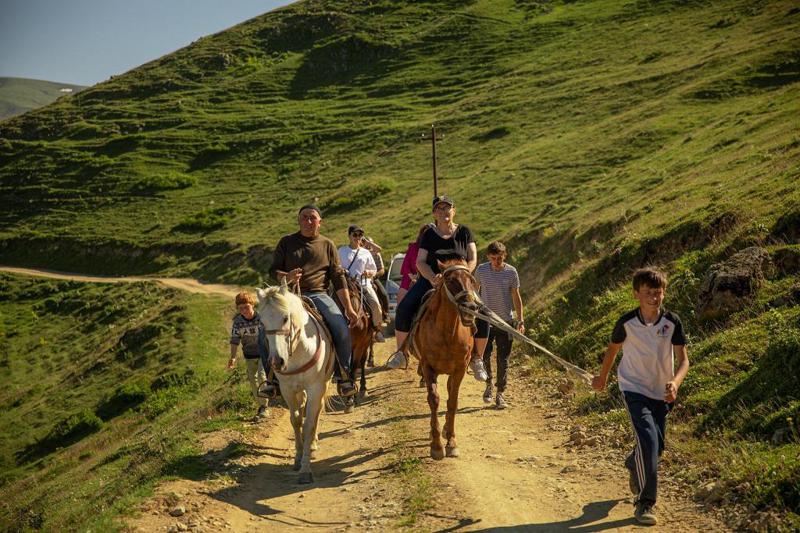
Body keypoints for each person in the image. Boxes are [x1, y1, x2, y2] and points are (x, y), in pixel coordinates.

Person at [591, 267, 690, 526]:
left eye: (658, 293)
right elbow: (612, 350)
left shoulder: (672, 322)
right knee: (648, 442)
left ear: (664, 293)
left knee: (657, 447)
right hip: (633, 388)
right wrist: (602, 378)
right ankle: (645, 503)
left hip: (662, 392)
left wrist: (675, 383)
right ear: (636, 294)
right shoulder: (626, 323)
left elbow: (683, 360)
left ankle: (635, 462)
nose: (654, 298)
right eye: (648, 293)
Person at [386, 195, 487, 381]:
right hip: (433, 280)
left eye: (447, 207)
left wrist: (464, 272)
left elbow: (473, 257)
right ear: (434, 213)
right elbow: (421, 262)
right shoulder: (429, 235)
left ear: (454, 211)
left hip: (459, 281)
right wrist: (432, 278)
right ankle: (402, 352)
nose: (443, 211)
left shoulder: (464, 232)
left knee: (482, 312)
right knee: (405, 307)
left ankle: (477, 358)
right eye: (439, 209)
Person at [268, 205, 359, 397]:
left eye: (312, 218)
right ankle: (271, 379)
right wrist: (287, 276)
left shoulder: (327, 245)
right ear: (298, 220)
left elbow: (338, 278)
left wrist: (349, 308)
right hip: (289, 296)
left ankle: (344, 376)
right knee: (265, 330)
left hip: (319, 294)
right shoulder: (286, 242)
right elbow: (273, 271)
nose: (308, 221)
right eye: (304, 217)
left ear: (320, 222)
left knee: (341, 327)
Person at [474, 241, 525, 409]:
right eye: (493, 258)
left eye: (500, 258)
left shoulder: (511, 272)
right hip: (485, 321)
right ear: (488, 257)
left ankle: (500, 393)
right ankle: (488, 385)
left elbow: (516, 296)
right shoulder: (481, 270)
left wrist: (520, 320)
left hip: (505, 322)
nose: (496, 261)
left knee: (503, 360)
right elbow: (474, 291)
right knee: (485, 356)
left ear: (505, 256)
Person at [227, 291, 270, 420]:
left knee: (262, 376)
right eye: (240, 308)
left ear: (252, 305)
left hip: (264, 353)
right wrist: (233, 357)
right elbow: (235, 340)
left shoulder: (262, 318)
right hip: (249, 355)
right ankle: (261, 404)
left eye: (246, 307)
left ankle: (264, 406)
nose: (244, 311)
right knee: (252, 380)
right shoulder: (238, 322)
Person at [338, 225, 385, 341]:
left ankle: (377, 329)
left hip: (363, 283)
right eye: (355, 234)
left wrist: (369, 272)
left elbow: (374, 270)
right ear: (349, 236)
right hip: (345, 283)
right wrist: (341, 270)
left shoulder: (366, 253)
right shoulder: (341, 251)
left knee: (375, 304)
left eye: (360, 235)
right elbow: (336, 266)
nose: (357, 237)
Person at [398, 224, 430, 304]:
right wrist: (412, 276)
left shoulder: (434, 248)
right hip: (410, 277)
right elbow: (406, 265)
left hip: (429, 277)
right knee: (401, 300)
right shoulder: (413, 247)